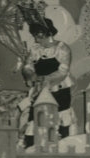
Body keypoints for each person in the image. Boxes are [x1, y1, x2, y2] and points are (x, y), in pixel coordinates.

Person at [20, 16, 75, 148]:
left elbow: (63, 71)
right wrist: (30, 74)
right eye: (35, 36)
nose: (36, 39)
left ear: (48, 33)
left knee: (61, 117)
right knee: (36, 117)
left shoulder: (62, 48)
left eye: (38, 36)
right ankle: (32, 148)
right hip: (39, 89)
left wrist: (46, 80)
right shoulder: (35, 49)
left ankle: (63, 147)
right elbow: (27, 66)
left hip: (59, 90)